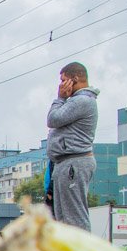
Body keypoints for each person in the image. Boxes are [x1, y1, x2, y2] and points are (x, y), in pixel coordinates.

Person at [45, 62, 100, 231]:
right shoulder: (76, 101)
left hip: (74, 163)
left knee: (74, 218)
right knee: (63, 219)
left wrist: (60, 98)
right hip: (66, 164)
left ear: (75, 79)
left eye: (63, 80)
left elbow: (53, 119)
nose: (60, 85)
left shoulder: (82, 100)